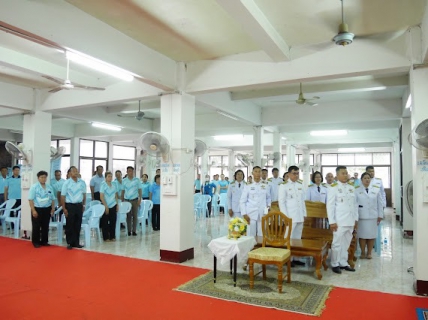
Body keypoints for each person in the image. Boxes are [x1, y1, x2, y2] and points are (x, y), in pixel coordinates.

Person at [327, 166, 358, 274]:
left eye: (346, 173)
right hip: (339, 221)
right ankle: (335, 263)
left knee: (346, 243)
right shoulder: (333, 187)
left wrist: (355, 220)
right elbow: (330, 206)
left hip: (350, 220)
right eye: (343, 173)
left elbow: (354, 205)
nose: (345, 175)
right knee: (336, 243)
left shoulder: (351, 187)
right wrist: (332, 222)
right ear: (337, 175)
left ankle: (343, 262)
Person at [278, 165, 306, 266]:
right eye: (294, 173)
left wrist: (304, 214)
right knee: (288, 237)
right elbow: (282, 202)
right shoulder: (283, 186)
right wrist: (285, 217)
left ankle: (296, 258)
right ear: (289, 174)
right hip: (290, 216)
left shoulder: (300, 184)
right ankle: (287, 259)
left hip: (299, 215)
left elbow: (302, 201)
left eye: (298, 173)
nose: (296, 175)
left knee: (297, 237)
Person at [356, 172, 383, 259]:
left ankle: (369, 252)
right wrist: (355, 217)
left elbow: (380, 203)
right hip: (361, 216)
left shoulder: (375, 189)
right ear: (361, 180)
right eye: (365, 178)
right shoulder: (356, 189)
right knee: (362, 235)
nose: (367, 180)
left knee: (372, 235)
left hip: (373, 216)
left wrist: (380, 215)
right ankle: (363, 252)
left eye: (368, 178)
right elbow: (354, 204)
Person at [240, 166, 271, 237]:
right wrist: (244, 214)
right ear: (252, 173)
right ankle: (251, 248)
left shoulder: (265, 185)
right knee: (251, 234)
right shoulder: (248, 186)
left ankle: (261, 248)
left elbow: (268, 198)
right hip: (250, 214)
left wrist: (268, 206)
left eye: (259, 171)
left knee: (262, 234)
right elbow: (242, 201)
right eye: (256, 171)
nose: (257, 173)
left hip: (262, 213)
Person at [61, 166, 86, 250]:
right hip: (70, 205)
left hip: (79, 205)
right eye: (73, 171)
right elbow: (63, 196)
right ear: (70, 173)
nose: (75, 172)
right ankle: (69, 242)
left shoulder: (82, 182)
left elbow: (84, 194)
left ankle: (76, 242)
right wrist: (64, 208)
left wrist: (83, 205)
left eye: (76, 171)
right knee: (70, 224)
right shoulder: (66, 183)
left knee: (78, 224)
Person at [28, 171, 55, 248]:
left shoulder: (49, 187)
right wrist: (33, 210)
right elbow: (30, 199)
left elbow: (53, 199)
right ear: (38, 178)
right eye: (41, 177)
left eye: (45, 177)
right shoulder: (34, 187)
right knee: (36, 226)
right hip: (37, 208)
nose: (43, 179)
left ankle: (44, 241)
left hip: (47, 209)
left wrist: (52, 208)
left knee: (45, 225)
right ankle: (36, 242)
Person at [121, 166, 142, 236]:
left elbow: (140, 190)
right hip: (127, 200)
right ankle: (129, 231)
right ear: (127, 172)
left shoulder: (137, 180)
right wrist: (122, 201)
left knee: (135, 216)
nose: (130, 172)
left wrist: (140, 198)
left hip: (135, 200)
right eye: (129, 171)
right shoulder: (124, 181)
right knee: (128, 216)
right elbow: (123, 191)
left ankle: (134, 231)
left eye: (132, 171)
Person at [100, 171, 119, 241]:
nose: (110, 178)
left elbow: (116, 195)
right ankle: (106, 237)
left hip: (113, 204)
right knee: (105, 222)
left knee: (113, 221)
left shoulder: (114, 185)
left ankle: (112, 236)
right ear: (105, 177)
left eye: (111, 176)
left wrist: (117, 204)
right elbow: (101, 196)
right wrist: (106, 206)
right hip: (105, 205)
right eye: (108, 176)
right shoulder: (103, 185)